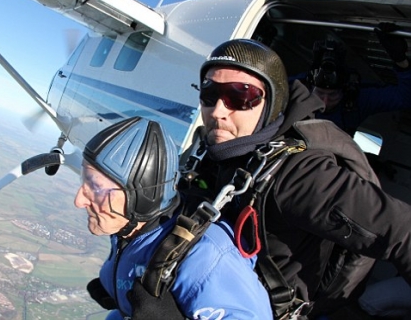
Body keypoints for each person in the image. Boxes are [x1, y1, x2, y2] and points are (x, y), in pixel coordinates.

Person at [129, 39, 411, 320]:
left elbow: (402, 231)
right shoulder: (211, 151)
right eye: (209, 93)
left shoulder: (298, 176)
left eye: (240, 96)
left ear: (271, 104)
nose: (218, 111)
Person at [74, 116, 273, 319]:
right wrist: (116, 286)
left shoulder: (206, 258)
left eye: (96, 188)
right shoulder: (130, 226)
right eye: (84, 181)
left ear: (140, 196)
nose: (79, 200)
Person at [308, 23, 411, 136]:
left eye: (333, 95)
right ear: (310, 88)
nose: (325, 102)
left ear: (344, 90)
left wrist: (401, 61)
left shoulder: (358, 98)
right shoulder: (294, 88)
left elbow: (404, 98)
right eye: (320, 93)